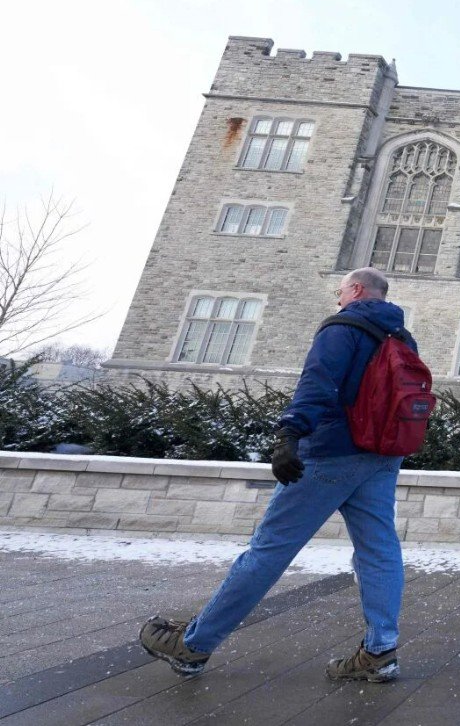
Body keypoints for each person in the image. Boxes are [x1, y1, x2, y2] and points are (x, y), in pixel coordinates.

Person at [140, 267, 415, 682]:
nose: (337, 297)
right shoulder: (400, 335)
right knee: (379, 552)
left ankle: (194, 646)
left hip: (330, 454)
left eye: (340, 290)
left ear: (355, 289)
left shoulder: (343, 326)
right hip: (379, 456)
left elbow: (318, 382)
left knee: (268, 551)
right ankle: (379, 651)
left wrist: (290, 432)